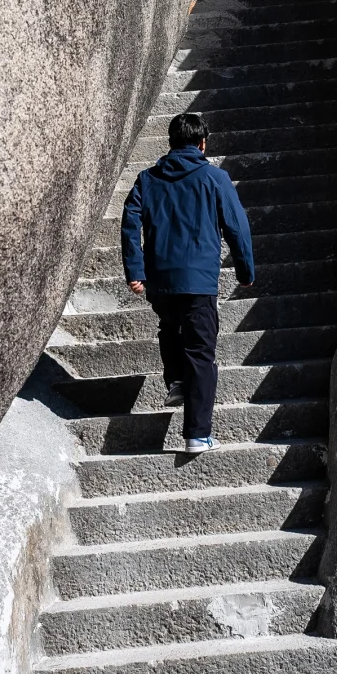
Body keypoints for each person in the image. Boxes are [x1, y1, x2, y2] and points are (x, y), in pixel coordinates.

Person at [120, 112, 255, 453]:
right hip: (198, 280)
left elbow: (129, 224)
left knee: (169, 326)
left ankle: (176, 380)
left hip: (160, 279)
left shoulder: (147, 179)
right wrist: (245, 270)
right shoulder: (215, 177)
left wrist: (136, 271)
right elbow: (237, 227)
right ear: (203, 143)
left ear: (170, 142)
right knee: (201, 352)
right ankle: (197, 434)